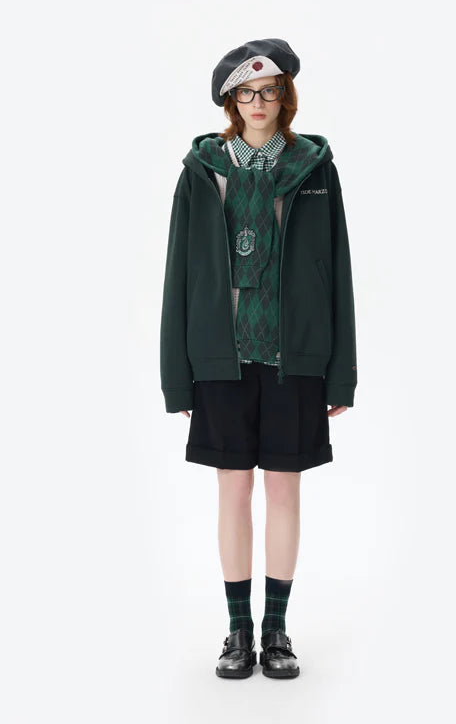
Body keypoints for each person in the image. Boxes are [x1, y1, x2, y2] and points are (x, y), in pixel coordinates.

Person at [160, 38, 357, 679]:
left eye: (269, 91)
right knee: (233, 490)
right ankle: (237, 631)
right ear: (231, 101)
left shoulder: (314, 168)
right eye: (246, 93)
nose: (258, 102)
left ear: (285, 96)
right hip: (221, 359)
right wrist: (177, 378)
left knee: (284, 490)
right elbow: (179, 276)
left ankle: (276, 630)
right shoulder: (202, 171)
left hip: (294, 358)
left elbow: (338, 273)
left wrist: (341, 373)